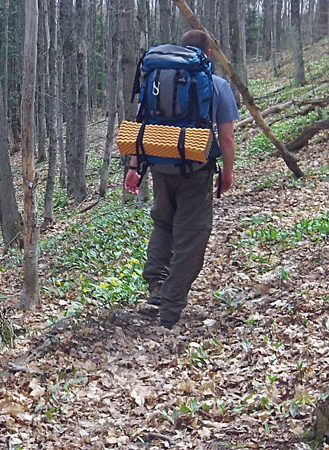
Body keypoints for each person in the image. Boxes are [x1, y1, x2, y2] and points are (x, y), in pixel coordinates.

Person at [124, 29, 239, 329]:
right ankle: (171, 307)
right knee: (193, 234)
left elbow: (143, 123)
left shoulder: (158, 79)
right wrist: (227, 172)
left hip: (160, 164)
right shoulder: (217, 84)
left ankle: (157, 286)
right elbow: (226, 138)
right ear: (208, 53)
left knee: (163, 223)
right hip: (196, 169)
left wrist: (135, 167)